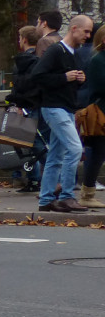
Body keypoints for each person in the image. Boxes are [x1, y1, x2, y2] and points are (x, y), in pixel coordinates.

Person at [32, 14, 92, 212]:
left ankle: (46, 199)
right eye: (86, 31)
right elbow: (38, 76)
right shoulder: (56, 51)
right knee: (75, 149)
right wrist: (64, 78)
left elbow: (62, 81)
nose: (88, 35)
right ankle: (67, 195)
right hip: (54, 108)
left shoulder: (72, 53)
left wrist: (77, 79)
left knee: (56, 155)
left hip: (64, 108)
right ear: (73, 28)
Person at [7, 25, 45, 193]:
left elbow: (21, 86)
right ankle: (36, 179)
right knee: (34, 142)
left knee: (31, 143)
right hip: (39, 104)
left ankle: (36, 178)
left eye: (19, 37)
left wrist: (17, 103)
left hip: (26, 106)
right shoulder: (40, 60)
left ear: (24, 39)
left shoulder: (22, 62)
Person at [78, 26, 105, 208]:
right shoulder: (97, 60)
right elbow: (99, 87)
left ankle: (88, 193)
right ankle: (87, 194)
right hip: (101, 113)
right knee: (98, 153)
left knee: (99, 153)